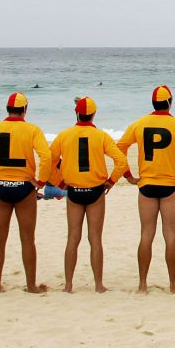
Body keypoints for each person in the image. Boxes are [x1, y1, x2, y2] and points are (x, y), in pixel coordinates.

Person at [117, 85, 175, 294]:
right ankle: (173, 286)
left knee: (146, 234)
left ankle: (142, 285)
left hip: (147, 185)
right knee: (170, 235)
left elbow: (119, 149)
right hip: (170, 186)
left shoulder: (139, 124)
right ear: (170, 102)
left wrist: (128, 175)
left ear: (152, 103)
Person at [0, 92, 51, 293]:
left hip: (2, 187)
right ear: (25, 110)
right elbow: (46, 157)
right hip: (24, 187)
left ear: (7, 109)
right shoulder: (32, 130)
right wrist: (40, 181)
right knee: (27, 239)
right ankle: (31, 285)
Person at [48, 96, 128, 293]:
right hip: (96, 191)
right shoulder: (102, 136)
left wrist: (59, 181)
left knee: (73, 238)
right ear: (93, 114)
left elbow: (48, 160)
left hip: (74, 190)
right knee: (95, 239)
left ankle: (68, 285)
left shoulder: (64, 135)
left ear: (76, 113)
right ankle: (99, 285)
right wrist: (111, 181)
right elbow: (121, 161)